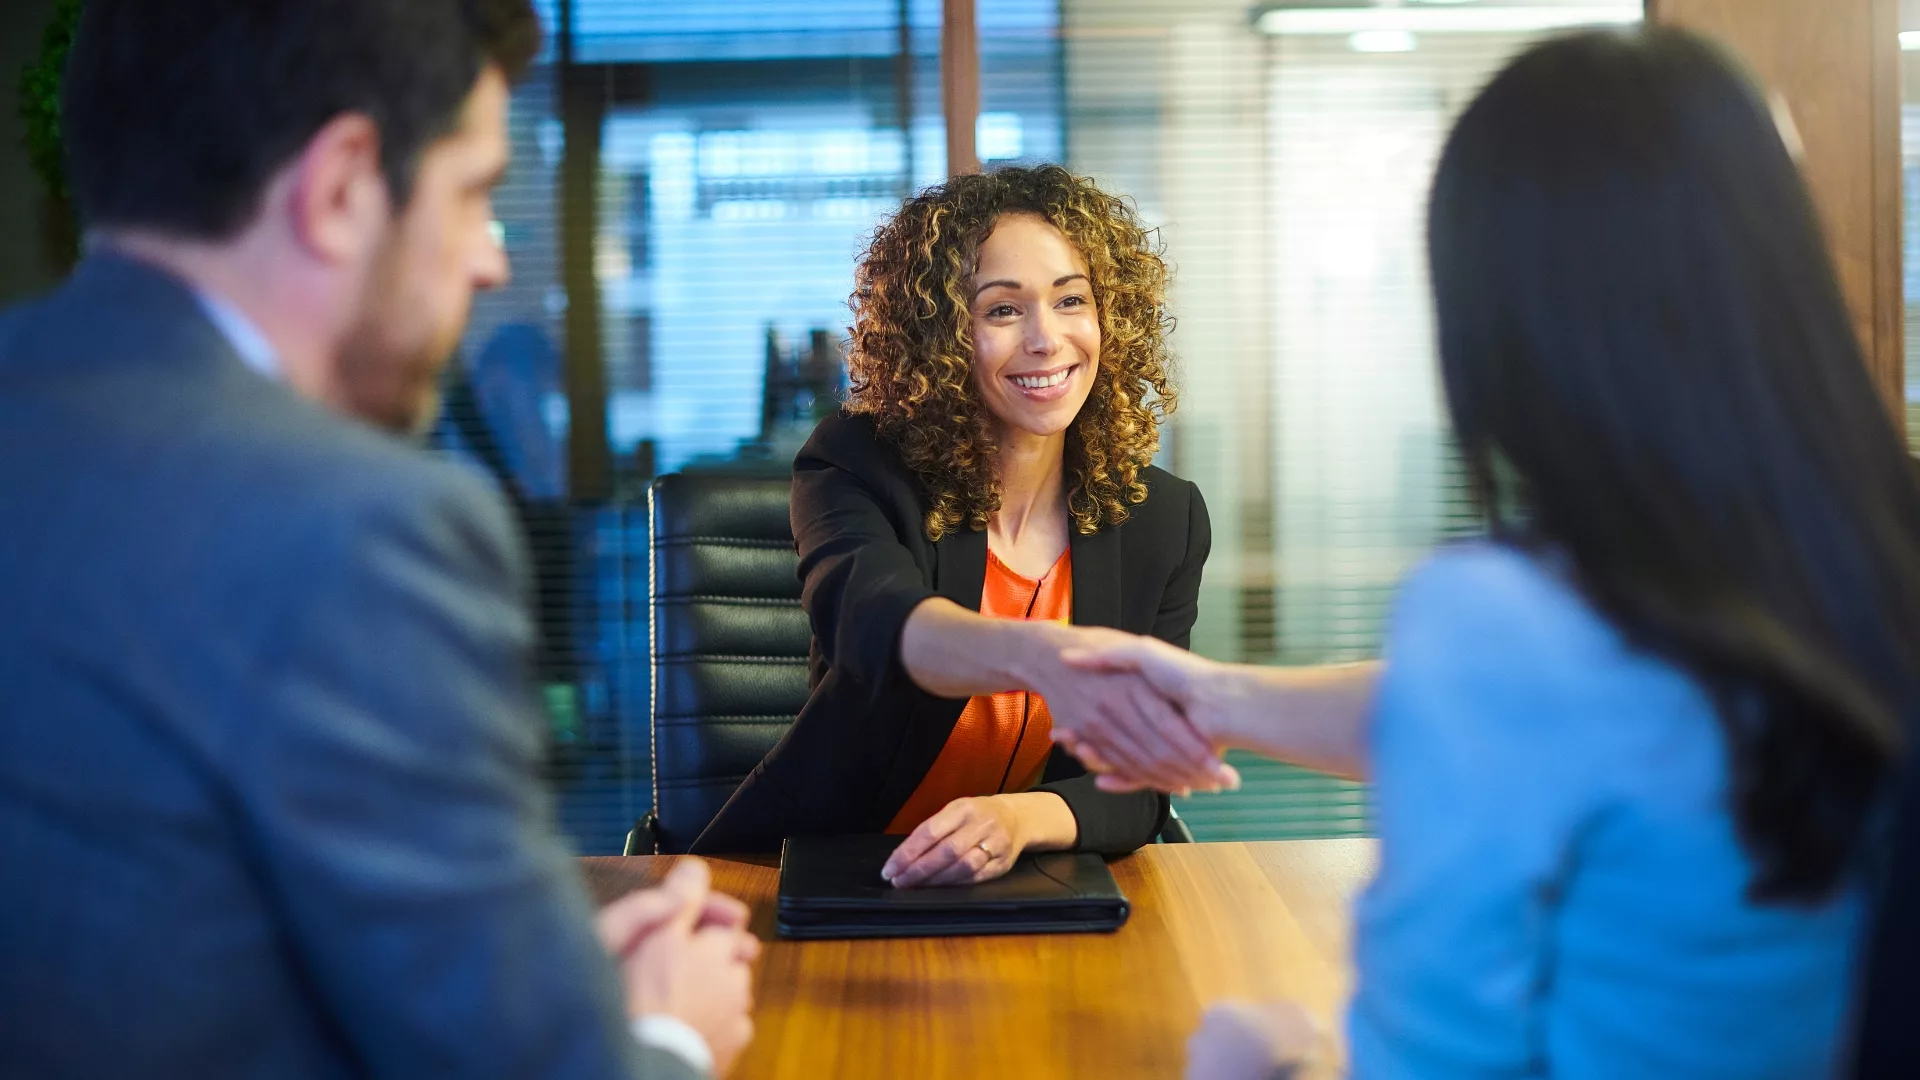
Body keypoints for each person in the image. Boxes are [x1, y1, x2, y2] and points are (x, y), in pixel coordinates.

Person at [1063, 27, 1920, 1079]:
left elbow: (1430, 1061)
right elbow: (1561, 716)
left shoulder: (1510, 617)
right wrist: (1223, 696)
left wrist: (1260, 1062)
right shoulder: (1851, 561)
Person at [0, 2, 755, 1078]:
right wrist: (662, 1034)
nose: (491, 261)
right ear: (345, 187)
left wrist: (520, 964)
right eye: (476, 193)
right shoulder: (352, 526)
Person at [693, 165, 1237, 886]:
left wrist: (1017, 819)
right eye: (1003, 311)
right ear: (942, 336)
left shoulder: (1161, 519)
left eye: (1071, 299)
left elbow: (1138, 784)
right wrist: (1040, 655)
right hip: (831, 867)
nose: (1047, 339)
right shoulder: (854, 466)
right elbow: (879, 627)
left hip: (1022, 880)